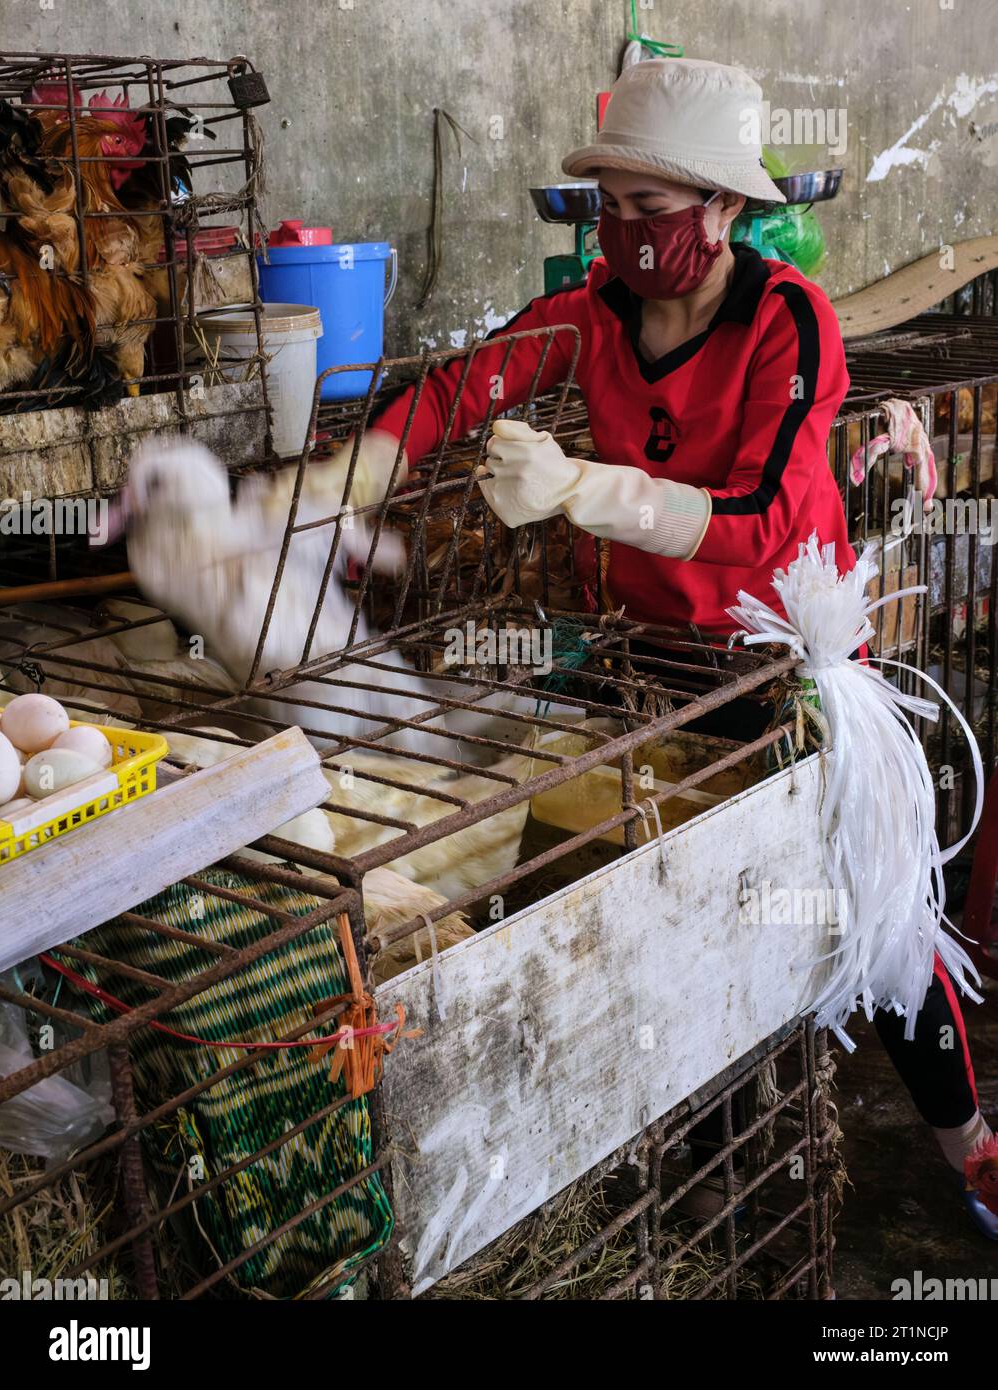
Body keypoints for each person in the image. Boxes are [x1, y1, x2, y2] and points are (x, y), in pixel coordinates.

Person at [332, 57, 996, 1238]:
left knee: (878, 921)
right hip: (646, 667)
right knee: (587, 886)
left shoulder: (788, 322)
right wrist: (345, 477)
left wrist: (587, 487)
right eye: (613, 209)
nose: (628, 237)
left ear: (728, 210)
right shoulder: (588, 314)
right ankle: (619, 1162)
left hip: (783, 664)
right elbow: (459, 389)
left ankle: (971, 1151)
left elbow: (764, 525)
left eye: (655, 210)